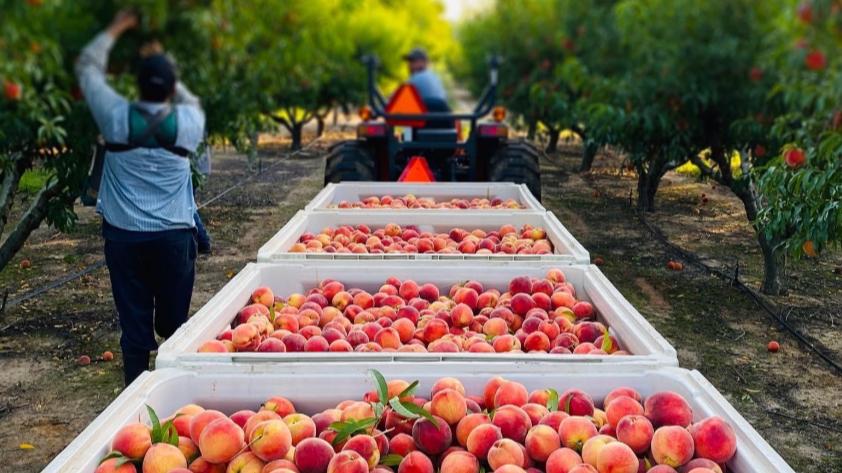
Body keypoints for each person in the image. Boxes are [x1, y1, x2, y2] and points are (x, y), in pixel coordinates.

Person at [75, 10, 205, 385]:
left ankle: (134, 392)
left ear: (137, 85)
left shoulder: (116, 118)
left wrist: (117, 26)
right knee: (175, 324)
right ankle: (174, 389)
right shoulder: (188, 123)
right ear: (170, 88)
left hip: (126, 238)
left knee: (134, 323)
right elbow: (191, 101)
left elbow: (87, 68)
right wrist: (165, 63)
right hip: (174, 239)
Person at [403, 47, 452, 129]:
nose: (409, 65)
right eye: (409, 62)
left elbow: (395, 103)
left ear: (424, 62)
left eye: (413, 61)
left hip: (422, 129)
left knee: (407, 122)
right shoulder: (435, 77)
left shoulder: (413, 80)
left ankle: (407, 137)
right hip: (444, 128)